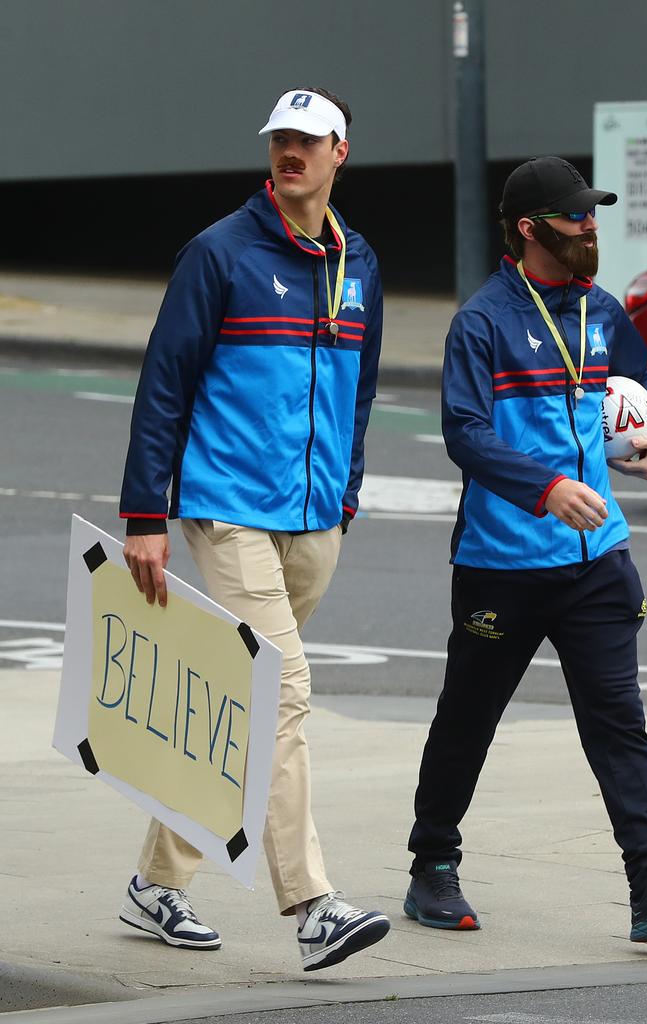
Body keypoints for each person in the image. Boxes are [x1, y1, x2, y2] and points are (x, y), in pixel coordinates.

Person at [404, 157, 647, 944]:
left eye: (594, 214)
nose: (592, 227)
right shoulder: (482, 322)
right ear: (529, 229)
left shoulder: (603, 315)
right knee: (469, 718)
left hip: (596, 563)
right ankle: (431, 865)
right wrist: (544, 487)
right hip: (502, 564)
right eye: (577, 216)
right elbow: (465, 433)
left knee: (619, 721)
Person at [117, 86, 389, 971]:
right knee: (285, 690)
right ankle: (312, 905)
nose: (291, 151)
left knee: (246, 705)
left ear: (339, 152)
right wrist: (145, 514)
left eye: (308, 140)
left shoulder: (363, 265)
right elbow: (165, 383)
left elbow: (363, 388)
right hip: (224, 505)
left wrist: (345, 492)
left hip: (314, 519)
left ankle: (158, 882)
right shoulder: (219, 253)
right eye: (281, 138)